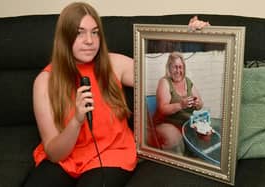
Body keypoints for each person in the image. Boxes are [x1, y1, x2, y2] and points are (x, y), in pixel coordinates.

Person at [23, 2, 209, 187]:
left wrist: (194, 38)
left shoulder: (114, 63)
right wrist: (76, 121)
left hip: (111, 154)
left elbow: (158, 70)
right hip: (65, 157)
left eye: (95, 32)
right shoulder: (44, 82)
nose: (90, 40)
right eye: (80, 32)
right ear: (64, 37)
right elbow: (55, 154)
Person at [153, 52, 204, 154]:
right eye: (175, 67)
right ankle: (176, 165)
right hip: (168, 122)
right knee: (174, 139)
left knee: (206, 134)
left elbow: (200, 104)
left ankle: (195, 164)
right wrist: (181, 105)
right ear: (169, 68)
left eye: (180, 67)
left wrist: (198, 104)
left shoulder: (188, 81)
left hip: (186, 122)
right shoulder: (165, 82)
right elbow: (162, 109)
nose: (178, 70)